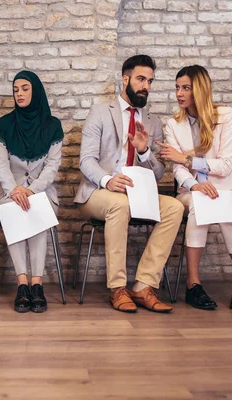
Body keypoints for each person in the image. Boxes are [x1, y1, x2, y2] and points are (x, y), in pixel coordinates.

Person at [74, 54, 184, 314]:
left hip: (139, 194)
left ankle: (144, 285)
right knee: (119, 205)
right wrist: (108, 180)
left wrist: (145, 151)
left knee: (174, 208)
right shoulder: (101, 112)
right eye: (141, 79)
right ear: (126, 79)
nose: (146, 86)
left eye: (150, 81)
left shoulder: (152, 122)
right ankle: (118, 287)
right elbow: (85, 160)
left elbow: (158, 174)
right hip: (99, 193)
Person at [160, 65, 232, 310]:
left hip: (226, 186)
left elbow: (225, 165)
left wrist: (186, 159)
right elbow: (177, 170)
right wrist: (195, 185)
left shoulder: (224, 116)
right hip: (192, 190)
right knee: (199, 209)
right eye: (177, 87)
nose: (179, 93)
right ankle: (193, 284)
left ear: (199, 90)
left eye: (186, 88)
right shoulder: (173, 124)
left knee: (230, 208)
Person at [0, 70, 63, 313]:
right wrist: (15, 190)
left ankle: (37, 284)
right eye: (16, 90)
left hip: (41, 192)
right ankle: (22, 284)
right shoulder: (4, 124)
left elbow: (52, 166)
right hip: (8, 193)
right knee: (14, 211)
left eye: (25, 88)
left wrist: (31, 191)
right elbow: (1, 164)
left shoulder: (53, 126)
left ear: (36, 91)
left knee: (36, 212)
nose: (19, 94)